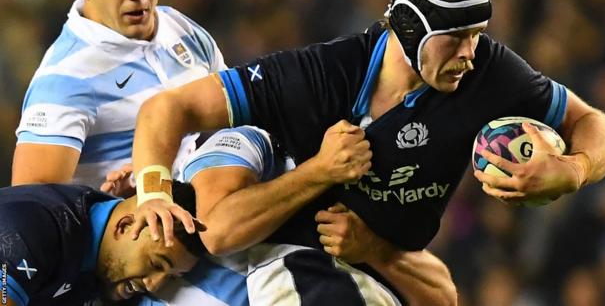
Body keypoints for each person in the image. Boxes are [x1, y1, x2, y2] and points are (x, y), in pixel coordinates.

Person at [131, 0, 605, 295]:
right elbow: (167, 110)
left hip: (388, 260)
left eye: (478, 36)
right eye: (455, 38)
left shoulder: (488, 71)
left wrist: (574, 169)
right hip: (288, 248)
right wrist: (152, 188)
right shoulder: (320, 76)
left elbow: (597, 126)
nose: (470, 55)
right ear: (410, 29)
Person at [105, 124, 458, 305]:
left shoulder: (340, 223)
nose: (154, 283)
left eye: (160, 265)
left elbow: (444, 297)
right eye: (162, 268)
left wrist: (376, 251)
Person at [11, 0, 226, 192]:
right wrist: (112, 209)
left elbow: (240, 115)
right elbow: (32, 210)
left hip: (197, 211)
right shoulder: (64, 80)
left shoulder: (184, 31)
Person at [0, 182, 203, 306]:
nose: (154, 285)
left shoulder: (107, 269)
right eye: (156, 264)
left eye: (171, 277)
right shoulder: (33, 227)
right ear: (124, 226)